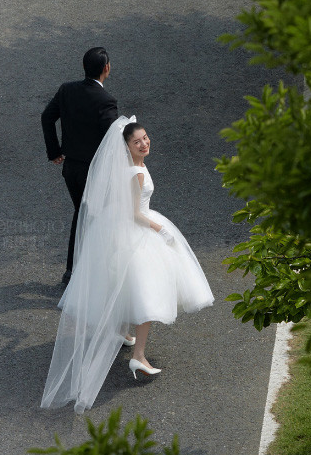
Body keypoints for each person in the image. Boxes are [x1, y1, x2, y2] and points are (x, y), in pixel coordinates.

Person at [41, 117, 214, 414]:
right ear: (127, 147)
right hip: (139, 231)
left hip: (122, 233)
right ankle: (139, 356)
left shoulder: (132, 168)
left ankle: (122, 332)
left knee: (126, 287)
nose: (144, 144)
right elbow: (135, 213)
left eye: (146, 138)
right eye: (138, 142)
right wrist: (161, 230)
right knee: (147, 294)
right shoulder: (136, 173)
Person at [41, 46, 118, 282]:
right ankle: (91, 275)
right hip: (94, 173)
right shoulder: (106, 101)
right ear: (106, 68)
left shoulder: (67, 90)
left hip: (71, 170)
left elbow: (47, 117)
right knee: (98, 218)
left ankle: (72, 271)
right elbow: (112, 139)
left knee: (82, 214)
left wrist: (55, 151)